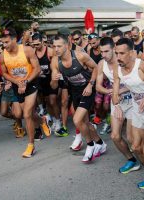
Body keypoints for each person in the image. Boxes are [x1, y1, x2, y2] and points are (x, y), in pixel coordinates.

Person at [113, 38, 144, 189]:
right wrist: (116, 102)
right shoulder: (118, 69)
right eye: (116, 53)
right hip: (138, 110)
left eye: (122, 53)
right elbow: (115, 91)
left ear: (132, 53)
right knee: (135, 147)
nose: (118, 57)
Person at [51, 34, 107, 163]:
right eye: (54, 46)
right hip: (75, 91)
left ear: (66, 45)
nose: (56, 49)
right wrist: (54, 80)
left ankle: (90, 145)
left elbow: (96, 68)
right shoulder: (55, 61)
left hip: (87, 89)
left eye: (59, 46)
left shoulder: (80, 55)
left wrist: (91, 84)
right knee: (85, 123)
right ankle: (100, 143)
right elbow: (53, 85)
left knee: (76, 119)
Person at [0, 28, 48, 158]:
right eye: (3, 43)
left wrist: (25, 82)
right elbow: (4, 73)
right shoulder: (2, 55)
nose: (5, 45)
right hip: (17, 85)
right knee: (30, 114)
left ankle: (30, 146)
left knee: (26, 114)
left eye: (7, 42)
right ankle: (42, 121)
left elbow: (37, 69)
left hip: (31, 82)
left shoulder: (27, 50)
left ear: (15, 39)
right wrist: (16, 82)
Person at [96, 37, 139, 173]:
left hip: (131, 101)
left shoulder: (124, 61)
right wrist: (109, 91)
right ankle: (132, 160)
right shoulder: (101, 64)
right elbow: (98, 86)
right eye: (101, 52)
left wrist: (119, 90)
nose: (103, 55)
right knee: (115, 136)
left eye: (106, 51)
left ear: (114, 48)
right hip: (117, 102)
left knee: (132, 139)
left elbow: (136, 81)